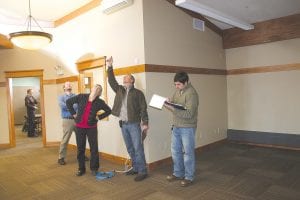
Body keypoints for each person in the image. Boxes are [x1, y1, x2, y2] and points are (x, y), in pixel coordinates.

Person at [106, 56, 149, 182]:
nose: (124, 82)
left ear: (132, 82)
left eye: (127, 80)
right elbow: (111, 80)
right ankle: (135, 167)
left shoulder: (138, 93)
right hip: (123, 124)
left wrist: (145, 123)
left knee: (137, 147)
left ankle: (142, 171)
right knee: (130, 147)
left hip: (134, 124)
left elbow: (143, 109)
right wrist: (109, 66)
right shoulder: (119, 90)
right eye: (124, 80)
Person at [66, 84, 111, 176]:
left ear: (99, 92)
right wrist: (74, 114)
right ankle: (81, 168)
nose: (97, 89)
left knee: (94, 149)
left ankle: (94, 168)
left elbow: (109, 110)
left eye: (99, 89)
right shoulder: (81, 96)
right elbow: (68, 102)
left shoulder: (99, 102)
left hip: (92, 128)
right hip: (80, 127)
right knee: (80, 148)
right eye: (96, 87)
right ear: (92, 89)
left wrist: (99, 117)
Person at [164, 71, 199, 187]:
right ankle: (178, 173)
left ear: (186, 82)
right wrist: (169, 101)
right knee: (175, 151)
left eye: (178, 84)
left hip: (187, 128)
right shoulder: (178, 91)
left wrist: (172, 108)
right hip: (176, 126)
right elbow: (174, 103)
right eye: (175, 84)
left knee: (188, 153)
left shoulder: (192, 94)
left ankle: (189, 177)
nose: (176, 87)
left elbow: (189, 114)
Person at [57, 82, 89, 165]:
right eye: (67, 85)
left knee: (81, 138)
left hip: (77, 120)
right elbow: (62, 106)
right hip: (67, 120)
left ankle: (81, 155)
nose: (69, 86)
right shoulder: (61, 97)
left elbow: (79, 106)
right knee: (65, 139)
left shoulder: (75, 96)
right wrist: (73, 106)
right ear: (64, 88)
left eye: (70, 85)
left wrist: (71, 106)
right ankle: (61, 157)